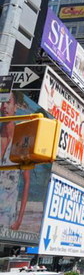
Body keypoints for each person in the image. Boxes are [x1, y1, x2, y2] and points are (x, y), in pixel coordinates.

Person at [0, 92, 31, 231]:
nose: (4, 106)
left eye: (8, 102)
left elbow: (26, 183)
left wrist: (19, 220)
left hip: (7, 219)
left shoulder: (21, 143)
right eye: (2, 102)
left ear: (15, 107)